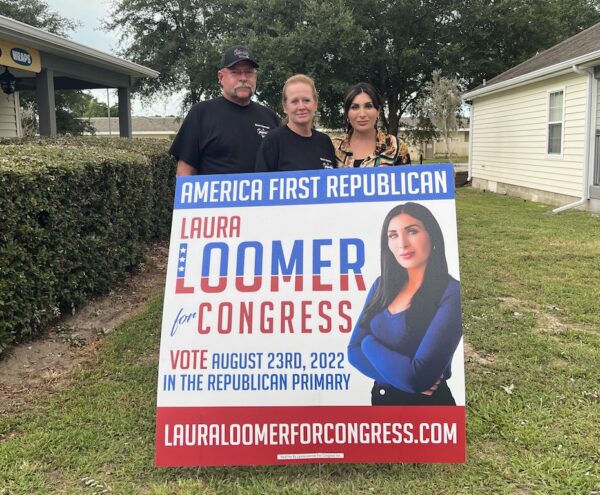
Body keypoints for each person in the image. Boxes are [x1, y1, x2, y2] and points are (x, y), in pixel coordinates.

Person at [347, 202, 462, 405]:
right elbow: (353, 352)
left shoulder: (451, 293)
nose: (402, 243)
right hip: (381, 403)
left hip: (430, 411)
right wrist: (402, 378)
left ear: (432, 235)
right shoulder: (382, 285)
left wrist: (368, 343)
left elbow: (415, 378)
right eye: (393, 235)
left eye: (412, 231)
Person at [170, 45, 280, 176]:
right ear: (221, 77)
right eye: (235, 72)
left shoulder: (270, 117)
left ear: (255, 77)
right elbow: (185, 173)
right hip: (213, 196)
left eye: (249, 72)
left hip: (262, 195)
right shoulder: (201, 113)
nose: (243, 78)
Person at [255, 74, 336, 172]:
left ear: (315, 104)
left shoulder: (325, 141)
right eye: (294, 101)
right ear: (285, 106)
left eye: (306, 100)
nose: (301, 107)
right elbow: (262, 183)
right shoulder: (273, 141)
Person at [332, 82, 406, 168]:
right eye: (355, 107)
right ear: (347, 113)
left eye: (368, 106)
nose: (362, 114)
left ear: (378, 111)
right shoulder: (332, 147)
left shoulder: (396, 146)